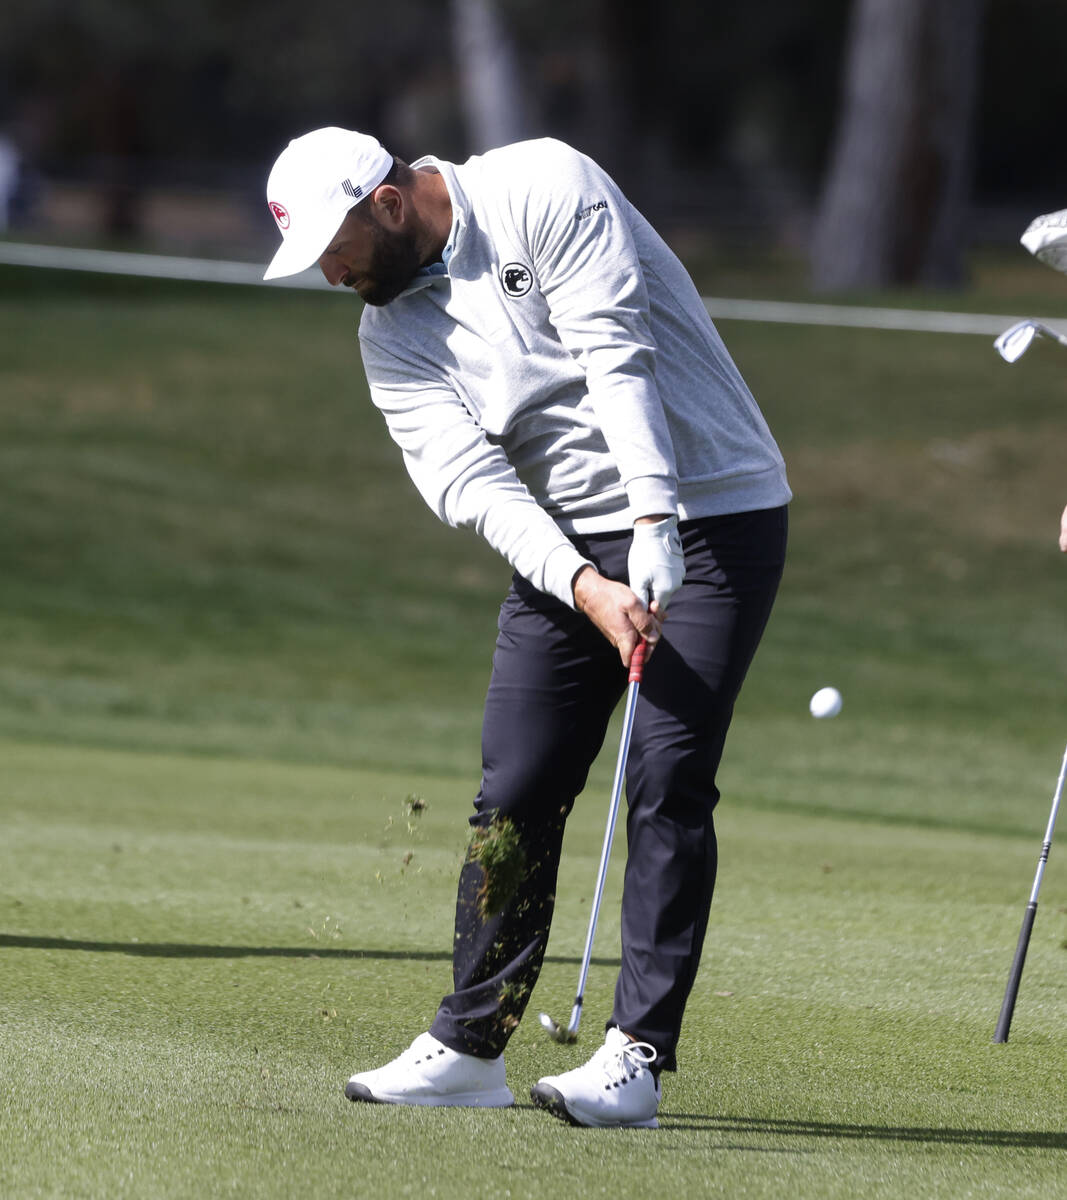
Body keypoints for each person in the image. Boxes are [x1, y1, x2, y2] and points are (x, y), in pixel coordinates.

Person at [263, 127, 791, 1128]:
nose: (329, 275)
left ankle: (634, 1053)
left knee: (665, 778)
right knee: (515, 781)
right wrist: (587, 584)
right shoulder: (388, 336)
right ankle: (471, 1044)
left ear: (384, 202)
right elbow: (471, 486)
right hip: (565, 547)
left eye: (333, 248)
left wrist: (651, 515)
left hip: (713, 507)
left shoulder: (542, 182)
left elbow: (612, 349)